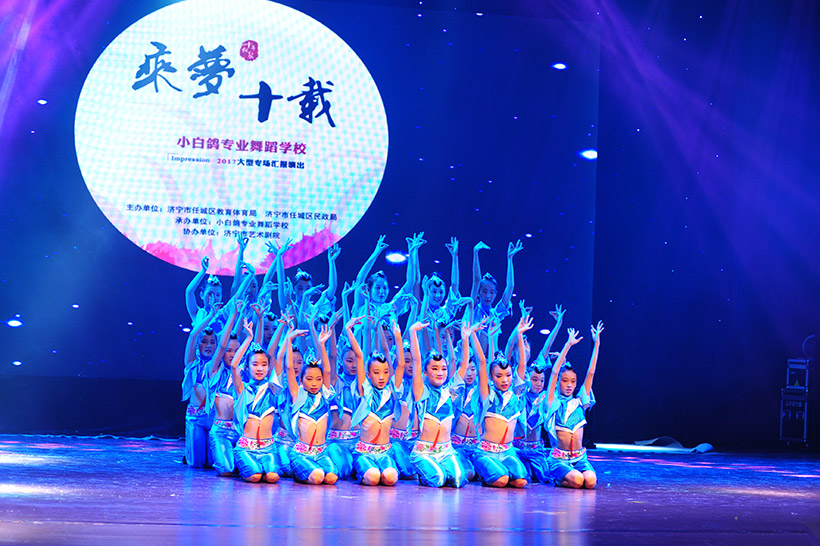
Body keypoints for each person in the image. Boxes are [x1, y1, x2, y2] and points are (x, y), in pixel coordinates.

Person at [468, 316, 531, 488]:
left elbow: (522, 365)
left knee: (520, 481)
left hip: (508, 451)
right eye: (499, 376)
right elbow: (481, 363)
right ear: (491, 377)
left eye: (508, 375)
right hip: (486, 451)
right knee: (502, 480)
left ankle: (498, 470)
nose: (505, 380)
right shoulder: (487, 395)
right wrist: (472, 334)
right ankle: (484, 470)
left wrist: (519, 335)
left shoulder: (515, 394)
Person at [406, 320, 469, 488]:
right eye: (434, 369)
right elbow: (417, 361)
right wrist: (413, 332)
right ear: (425, 372)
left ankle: (440, 468)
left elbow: (463, 365)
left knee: (457, 480)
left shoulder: (450, 392)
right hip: (424, 451)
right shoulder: (421, 392)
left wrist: (465, 339)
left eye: (443, 368)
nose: (440, 372)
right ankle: (424, 471)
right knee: (439, 479)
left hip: (446, 451)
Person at [346, 316, 405, 486]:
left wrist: (398, 338)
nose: (381, 377)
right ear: (368, 374)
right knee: (373, 477)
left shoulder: (391, 390)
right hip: (364, 452)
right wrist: (349, 330)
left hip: (385, 452)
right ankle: (361, 472)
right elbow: (359, 356)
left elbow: (401, 365)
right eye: (376, 373)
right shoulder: (364, 391)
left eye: (385, 372)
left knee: (390, 477)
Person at [283, 324, 343, 485]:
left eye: (318, 379)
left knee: (331, 477)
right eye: (309, 379)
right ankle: (300, 470)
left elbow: (328, 371)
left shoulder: (324, 395)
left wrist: (322, 344)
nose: (314, 383)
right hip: (302, 453)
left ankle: (309, 472)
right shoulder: (298, 395)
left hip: (321, 453)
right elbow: (289, 368)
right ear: (301, 380)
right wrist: (289, 341)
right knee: (317, 476)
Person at [545, 322, 603, 489]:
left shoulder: (580, 402)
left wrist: (597, 343)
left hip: (579, 458)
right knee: (577, 480)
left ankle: (568, 477)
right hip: (559, 459)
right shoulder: (553, 403)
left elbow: (591, 373)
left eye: (572, 381)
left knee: (590, 481)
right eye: (565, 381)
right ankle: (556, 478)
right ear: (558, 383)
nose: (569, 385)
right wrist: (568, 345)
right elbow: (554, 373)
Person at [230, 320, 282, 483]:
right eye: (255, 364)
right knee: (255, 476)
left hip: (268, 448)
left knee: (272, 477)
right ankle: (244, 465)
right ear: (247, 367)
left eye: (264, 364)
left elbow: (278, 357)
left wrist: (285, 330)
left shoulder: (273, 388)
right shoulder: (242, 389)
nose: (260, 368)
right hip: (247, 447)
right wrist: (248, 338)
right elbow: (234, 366)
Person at [181, 304, 222, 468]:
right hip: (195, 417)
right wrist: (210, 316)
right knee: (197, 463)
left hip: (214, 417)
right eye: (204, 342)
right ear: (198, 345)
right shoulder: (191, 363)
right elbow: (193, 336)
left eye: (212, 342)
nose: (209, 345)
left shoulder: (218, 366)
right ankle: (190, 453)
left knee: (212, 463)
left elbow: (224, 344)